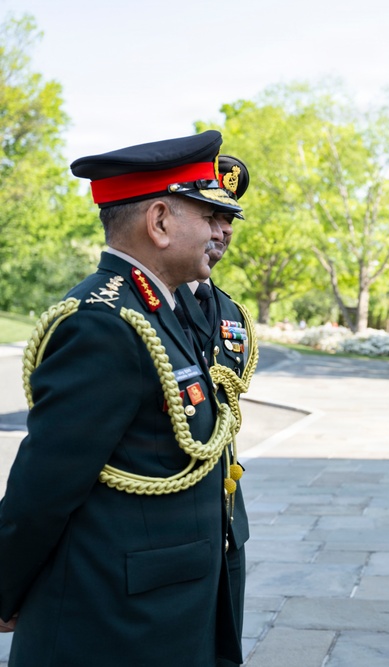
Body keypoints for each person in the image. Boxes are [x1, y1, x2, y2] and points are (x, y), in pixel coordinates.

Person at [0, 131, 245, 666]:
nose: (218, 229)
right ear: (159, 223)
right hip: (116, 620)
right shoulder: (103, 322)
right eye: (204, 215)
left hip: (172, 606)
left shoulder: (166, 308)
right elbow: (45, 486)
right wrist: (4, 588)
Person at [175, 154, 256, 665]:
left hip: (227, 523)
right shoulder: (141, 306)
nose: (221, 231)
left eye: (228, 220)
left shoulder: (232, 313)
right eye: (209, 216)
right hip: (173, 531)